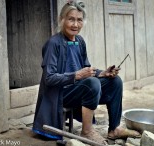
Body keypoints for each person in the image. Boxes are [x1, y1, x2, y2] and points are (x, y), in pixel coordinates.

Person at [32, 0, 141, 144]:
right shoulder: (54, 44)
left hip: (78, 89)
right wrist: (77, 75)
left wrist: (103, 73)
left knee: (115, 82)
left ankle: (114, 129)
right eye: (71, 19)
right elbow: (49, 78)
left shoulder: (79, 41)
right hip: (59, 94)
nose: (75, 24)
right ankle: (87, 131)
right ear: (62, 19)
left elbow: (87, 70)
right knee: (92, 83)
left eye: (79, 20)